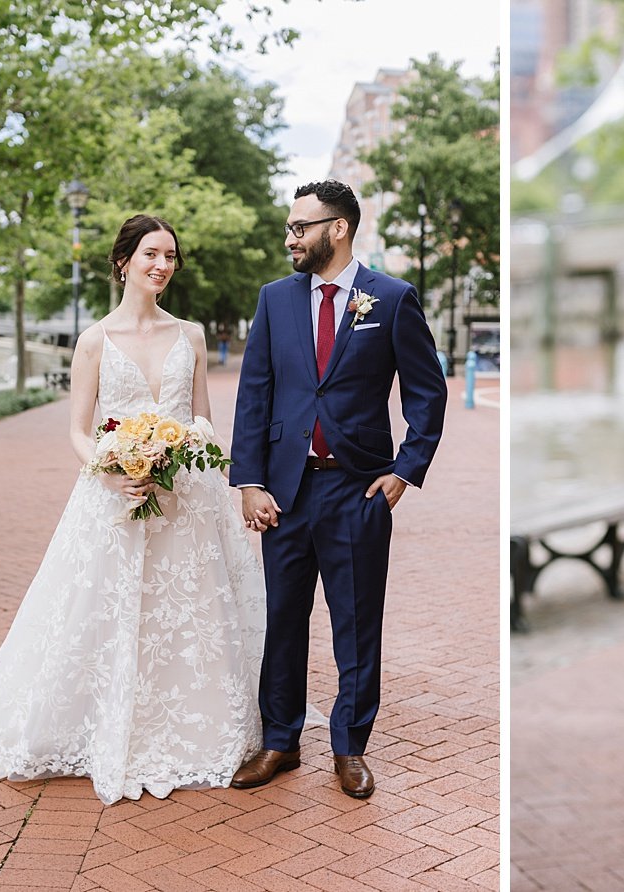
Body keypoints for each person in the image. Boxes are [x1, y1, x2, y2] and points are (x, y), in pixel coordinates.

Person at [0, 214, 323, 805]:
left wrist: (187, 450)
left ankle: (196, 722)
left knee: (191, 614)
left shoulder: (190, 335)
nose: (162, 266)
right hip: (116, 495)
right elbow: (79, 433)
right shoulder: (94, 341)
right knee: (105, 611)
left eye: (171, 257)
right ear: (124, 261)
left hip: (189, 498)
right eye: (152, 254)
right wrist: (114, 467)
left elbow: (204, 416)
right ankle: (105, 722)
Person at [229, 180, 446, 798]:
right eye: (290, 227)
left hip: (358, 491)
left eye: (301, 226)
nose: (290, 237)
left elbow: (427, 393)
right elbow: (255, 394)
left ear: (339, 228)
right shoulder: (274, 300)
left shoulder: (393, 298)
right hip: (285, 494)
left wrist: (405, 469)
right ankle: (280, 741)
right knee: (283, 620)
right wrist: (248, 481)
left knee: (356, 624)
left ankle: (350, 748)